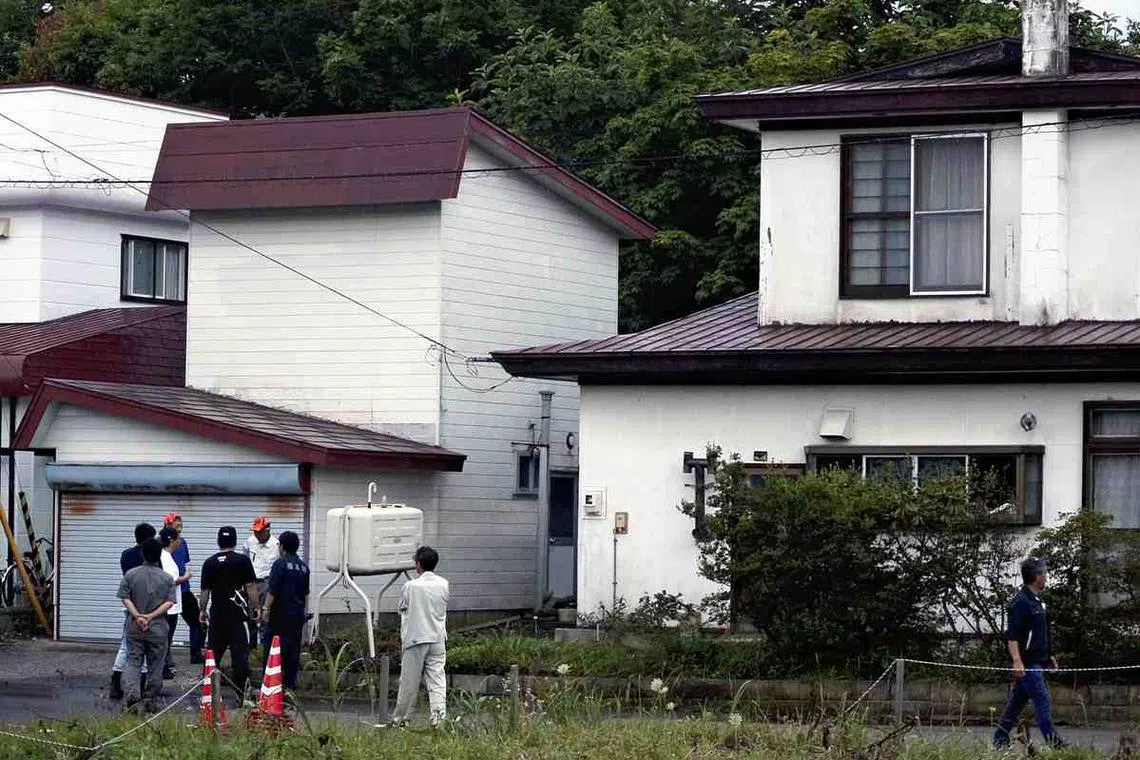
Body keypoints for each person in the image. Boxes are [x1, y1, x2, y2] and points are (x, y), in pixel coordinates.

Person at [993, 557, 1066, 750]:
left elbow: (1040, 633)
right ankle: (1055, 744)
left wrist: (1048, 656)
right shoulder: (1021, 603)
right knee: (1042, 701)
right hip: (1028, 663)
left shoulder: (1037, 602)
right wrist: (1017, 660)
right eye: (1044, 573)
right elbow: (1013, 636)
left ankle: (1000, 739)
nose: (1046, 577)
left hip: (1038, 661)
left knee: (1016, 704)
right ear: (1036, 576)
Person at [200, 525, 260, 705]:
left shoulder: (209, 562)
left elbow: (204, 592)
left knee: (213, 655)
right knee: (240, 655)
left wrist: (202, 610)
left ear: (219, 541)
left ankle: (209, 694)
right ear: (234, 541)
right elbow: (250, 587)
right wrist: (256, 607)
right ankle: (242, 694)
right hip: (237, 615)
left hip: (217, 615)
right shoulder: (242, 561)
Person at [116, 537, 176, 712]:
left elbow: (124, 597)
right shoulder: (166, 578)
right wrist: (150, 617)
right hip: (157, 628)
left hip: (135, 626)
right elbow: (169, 602)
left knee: (133, 661)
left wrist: (137, 615)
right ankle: (150, 698)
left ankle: (132, 697)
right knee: (156, 664)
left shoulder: (131, 574)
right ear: (159, 555)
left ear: (143, 554)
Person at [392, 546, 449, 726]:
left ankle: (402, 720)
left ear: (418, 564)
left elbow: (402, 607)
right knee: (437, 681)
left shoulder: (411, 586)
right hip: (438, 638)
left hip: (415, 638)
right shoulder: (444, 584)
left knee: (409, 683)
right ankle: (439, 720)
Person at [110, 522, 155, 700]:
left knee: (125, 645)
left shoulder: (126, 555)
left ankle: (115, 682)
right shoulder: (149, 558)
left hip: (129, 605)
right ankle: (141, 686)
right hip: (147, 607)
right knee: (145, 645)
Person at [260, 530, 309, 691]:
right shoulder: (304, 567)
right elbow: (305, 593)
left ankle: (270, 686)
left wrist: (265, 609)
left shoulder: (279, 564)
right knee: (293, 652)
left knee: (273, 650)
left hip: (279, 616)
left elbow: (273, 590)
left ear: (282, 547)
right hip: (297, 616)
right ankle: (289, 686)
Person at [164, 513, 204, 664]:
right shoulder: (160, 544)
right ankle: (165, 656)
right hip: (169, 591)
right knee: (168, 626)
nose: (179, 525)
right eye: (176, 523)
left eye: (181, 523)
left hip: (184, 589)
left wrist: (187, 574)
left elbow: (185, 562)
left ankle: (196, 652)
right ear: (168, 525)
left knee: (197, 620)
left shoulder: (183, 542)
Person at [158, 527, 190, 680]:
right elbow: (170, 580)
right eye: (178, 539)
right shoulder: (164, 557)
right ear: (172, 540)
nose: (180, 542)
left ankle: (164, 665)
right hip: (168, 606)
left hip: (172, 604)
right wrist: (185, 577)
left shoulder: (167, 556)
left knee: (167, 638)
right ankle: (162, 667)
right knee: (166, 637)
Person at [243, 517, 279, 653]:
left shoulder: (276, 545)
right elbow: (245, 560)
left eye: (259, 532)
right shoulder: (249, 542)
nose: (256, 534)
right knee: (251, 616)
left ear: (267, 530)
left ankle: (265, 647)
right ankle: (252, 648)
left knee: (265, 616)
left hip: (267, 582)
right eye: (255, 532)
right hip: (251, 582)